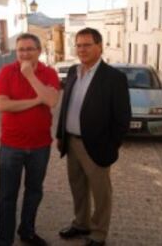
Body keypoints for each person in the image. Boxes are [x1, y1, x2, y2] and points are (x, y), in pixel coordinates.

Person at [56, 27, 131, 246]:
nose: (82, 49)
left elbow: (122, 117)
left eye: (87, 45)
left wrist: (112, 145)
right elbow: (65, 106)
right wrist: (61, 134)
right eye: (78, 45)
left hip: (97, 146)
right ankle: (81, 223)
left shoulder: (113, 77)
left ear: (100, 46)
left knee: (101, 192)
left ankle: (98, 233)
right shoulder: (72, 72)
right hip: (71, 142)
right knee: (77, 186)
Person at [0, 33, 60, 246]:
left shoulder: (49, 72)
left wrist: (31, 76)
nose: (24, 53)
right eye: (21, 49)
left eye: (29, 49)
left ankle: (27, 231)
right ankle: (4, 239)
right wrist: (35, 100)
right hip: (11, 146)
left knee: (34, 192)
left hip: (40, 146)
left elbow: (51, 101)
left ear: (39, 51)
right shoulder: (6, 71)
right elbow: (2, 105)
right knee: (7, 195)